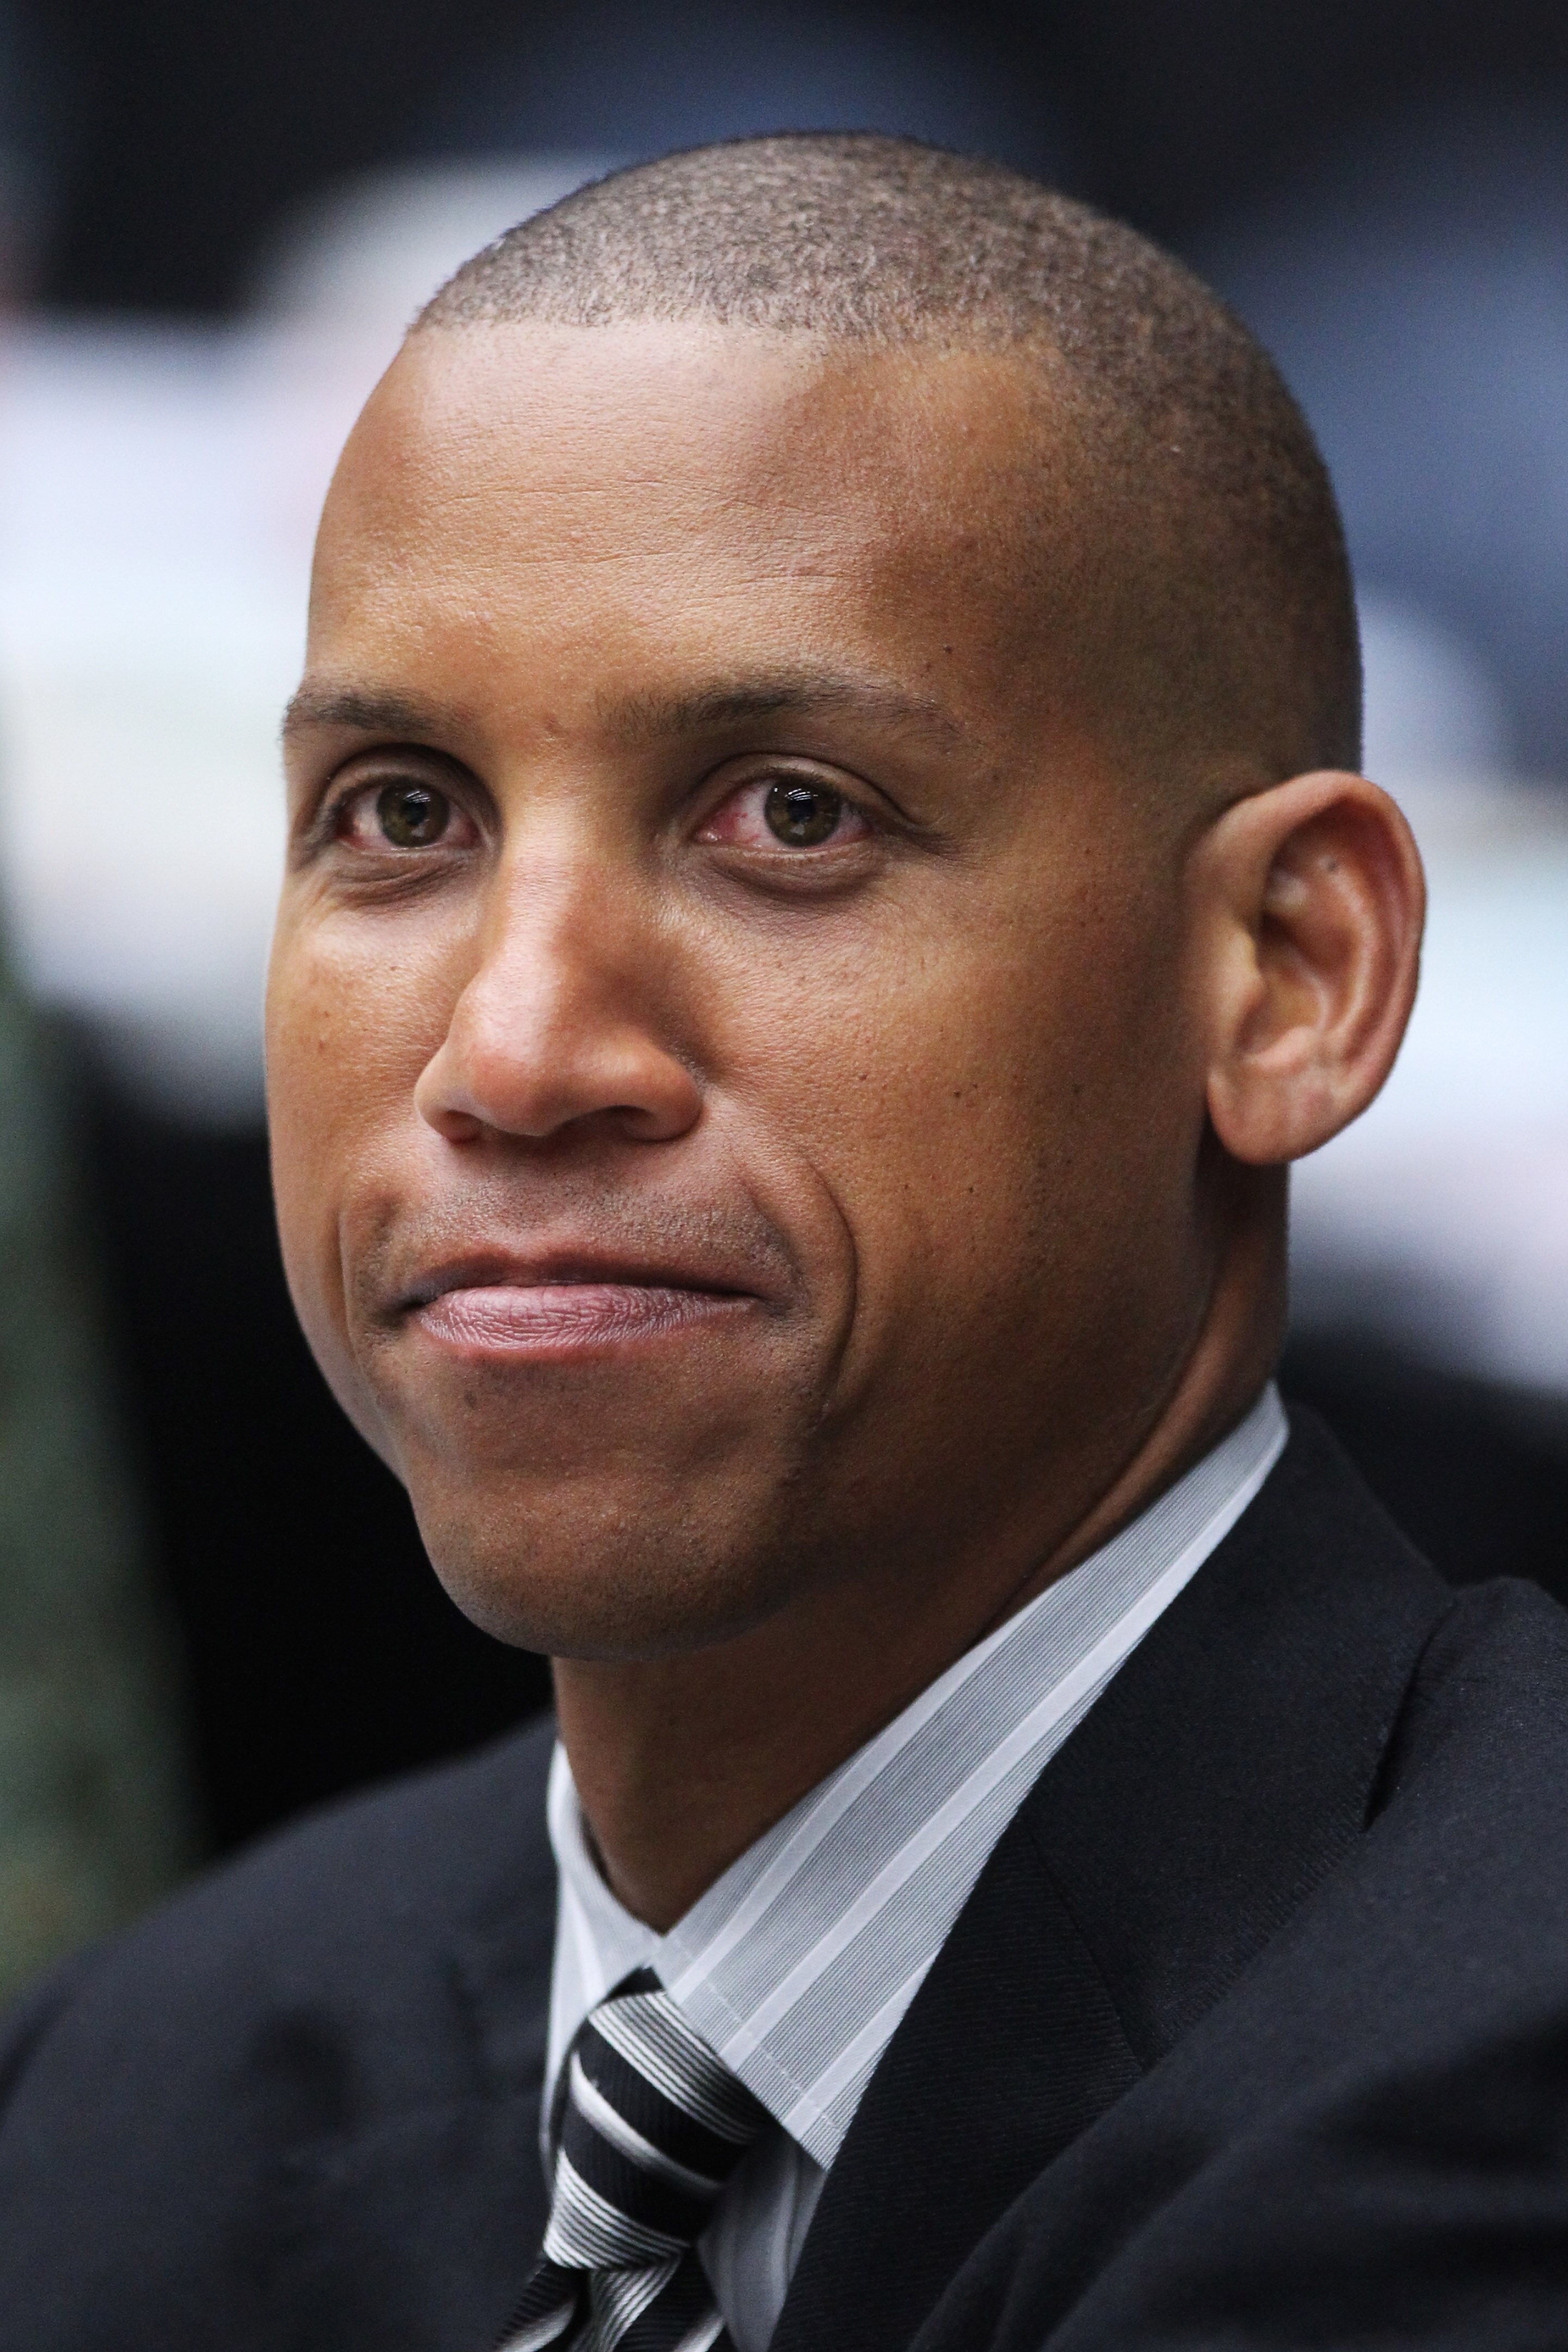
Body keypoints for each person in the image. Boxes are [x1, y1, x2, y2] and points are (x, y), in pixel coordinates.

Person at [2, 133, 1565, 2352]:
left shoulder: (1485, 2120)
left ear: (1289, 977)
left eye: (791, 817)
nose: (516, 1049)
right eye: (403, 815)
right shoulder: (122, 2107)